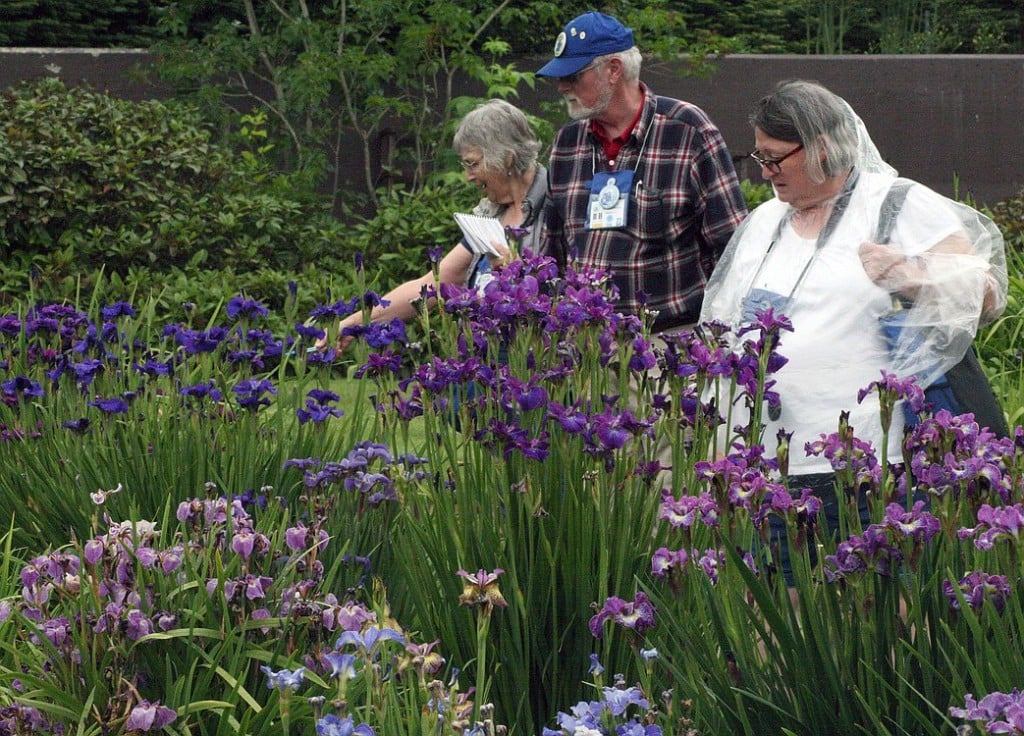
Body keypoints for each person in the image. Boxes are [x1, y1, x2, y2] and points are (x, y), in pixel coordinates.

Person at [699, 79, 1007, 579]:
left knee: (878, 613)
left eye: (776, 158)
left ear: (821, 147)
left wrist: (911, 272)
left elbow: (987, 293)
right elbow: (722, 328)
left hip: (872, 460)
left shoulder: (895, 205)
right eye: (759, 158)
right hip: (772, 463)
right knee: (785, 615)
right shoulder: (763, 223)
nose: (767, 172)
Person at [534, 11, 747, 335]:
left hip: (667, 345)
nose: (562, 87)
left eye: (573, 76)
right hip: (585, 349)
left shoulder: (687, 131)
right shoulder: (567, 143)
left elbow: (733, 249)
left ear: (613, 70)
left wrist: (718, 339)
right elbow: (552, 252)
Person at [323, 99, 546, 352]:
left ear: (507, 158)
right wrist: (352, 323)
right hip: (481, 375)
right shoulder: (492, 216)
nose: (468, 176)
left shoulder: (558, 209)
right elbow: (432, 285)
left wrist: (512, 274)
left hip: (530, 373)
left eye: (473, 164)